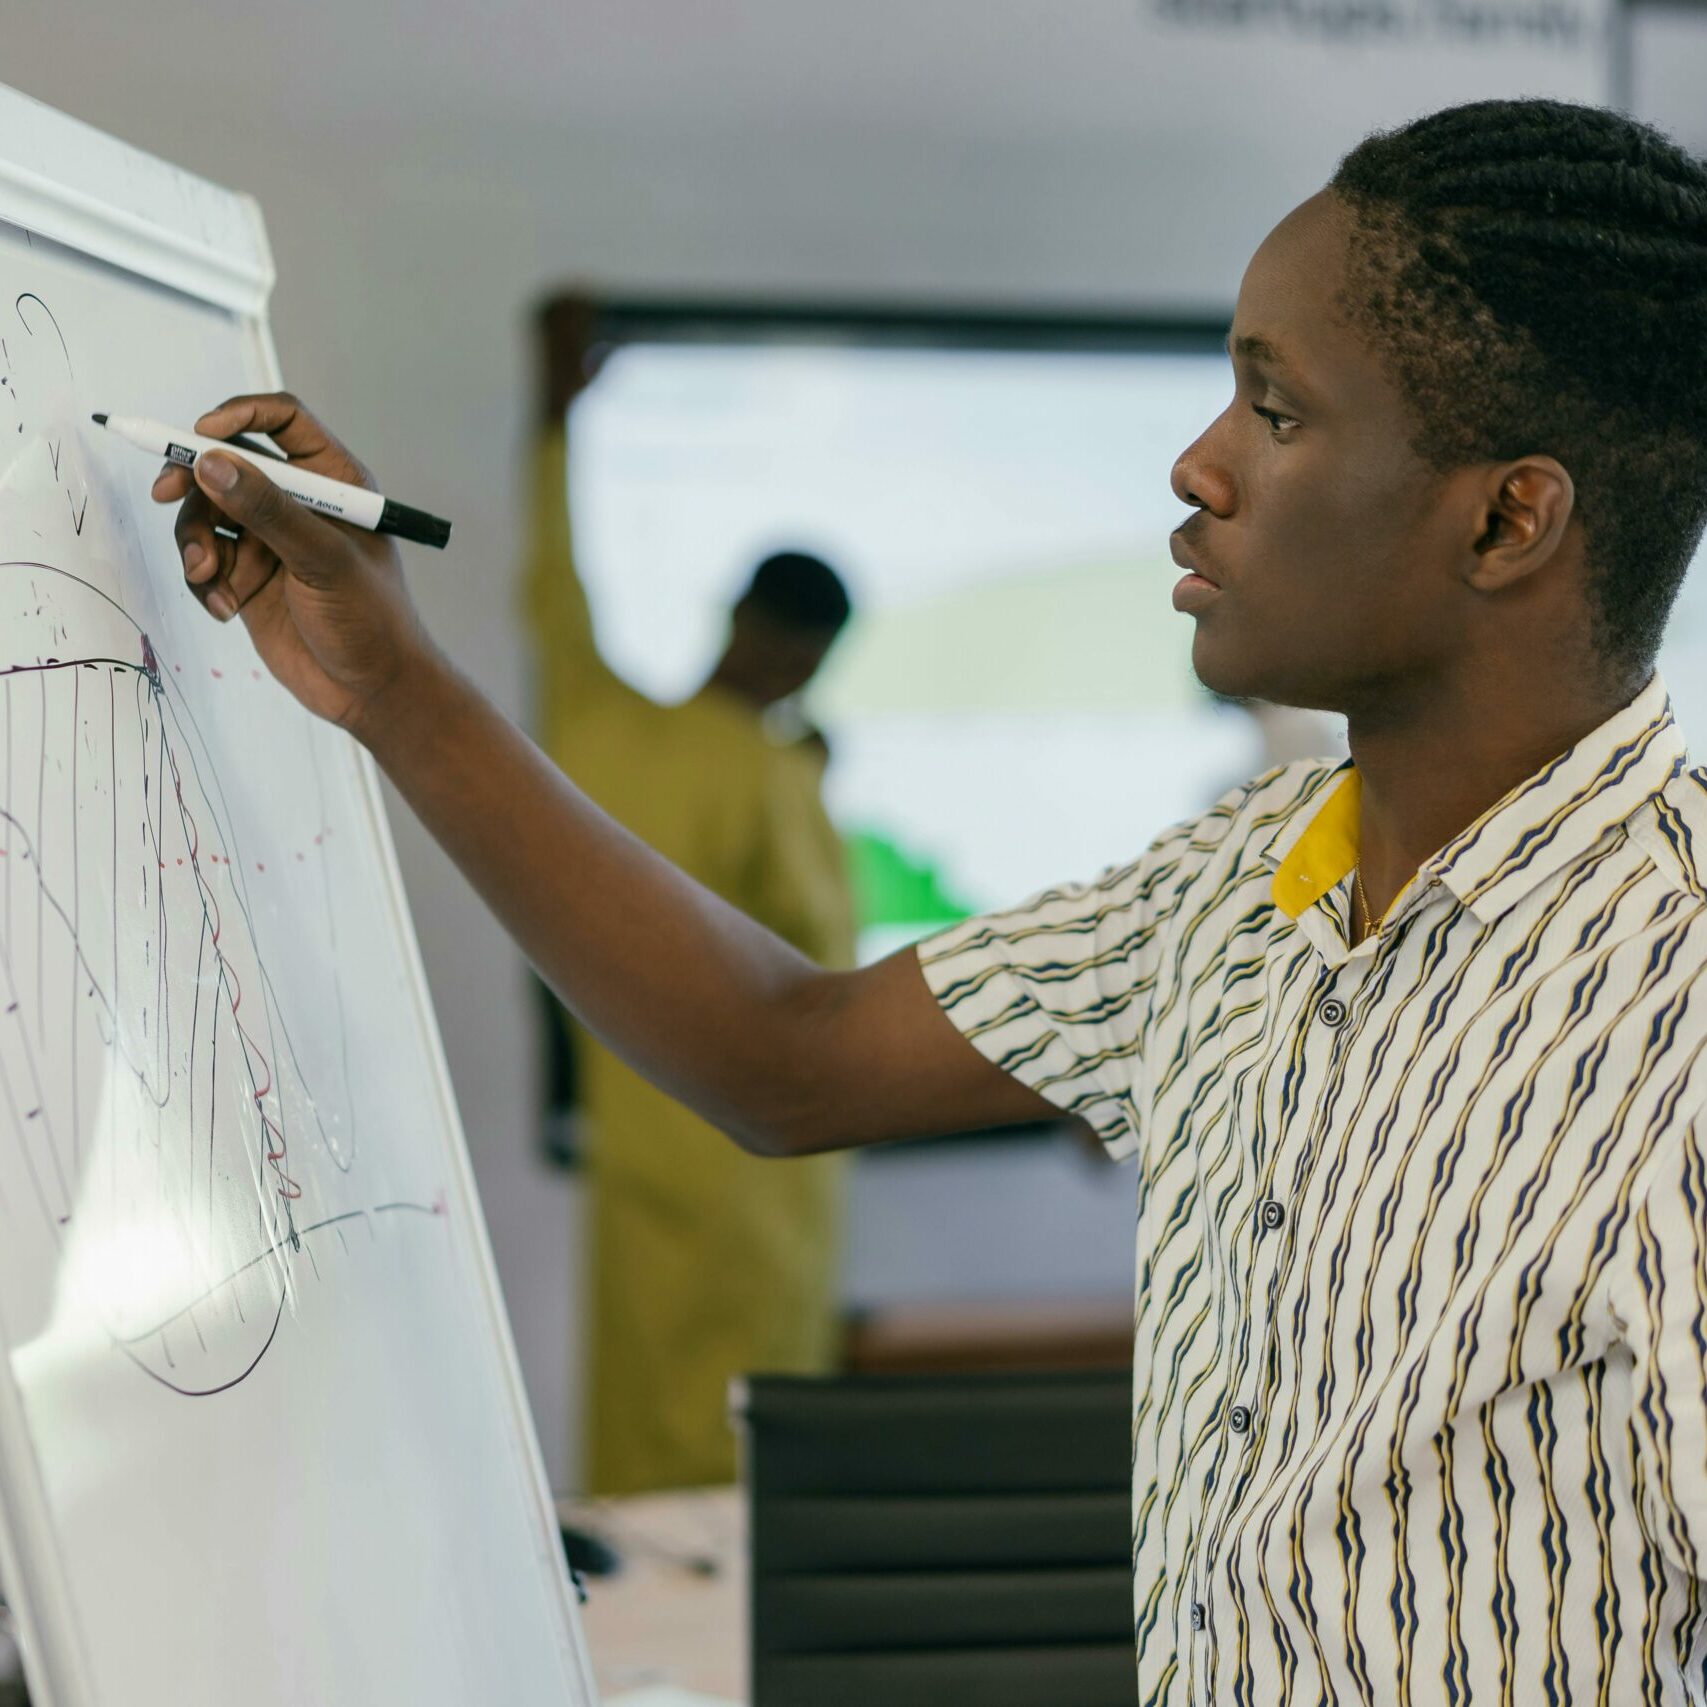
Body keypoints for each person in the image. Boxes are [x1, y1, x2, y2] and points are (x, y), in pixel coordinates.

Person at [157, 97, 1707, 1702]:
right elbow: (787, 1050)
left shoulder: (1676, 1008)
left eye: (1274, 410)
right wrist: (390, 680)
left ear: (1504, 518)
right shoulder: (1234, 888)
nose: (1195, 463)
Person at [520, 298, 857, 1493]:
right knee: (747, 1477)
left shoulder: (597, 725)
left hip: (641, 1162)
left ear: (735, 613)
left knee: (641, 1455)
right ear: (810, 652)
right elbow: (831, 972)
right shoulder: (779, 780)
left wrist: (554, 412)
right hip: (757, 1181)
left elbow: (550, 588)